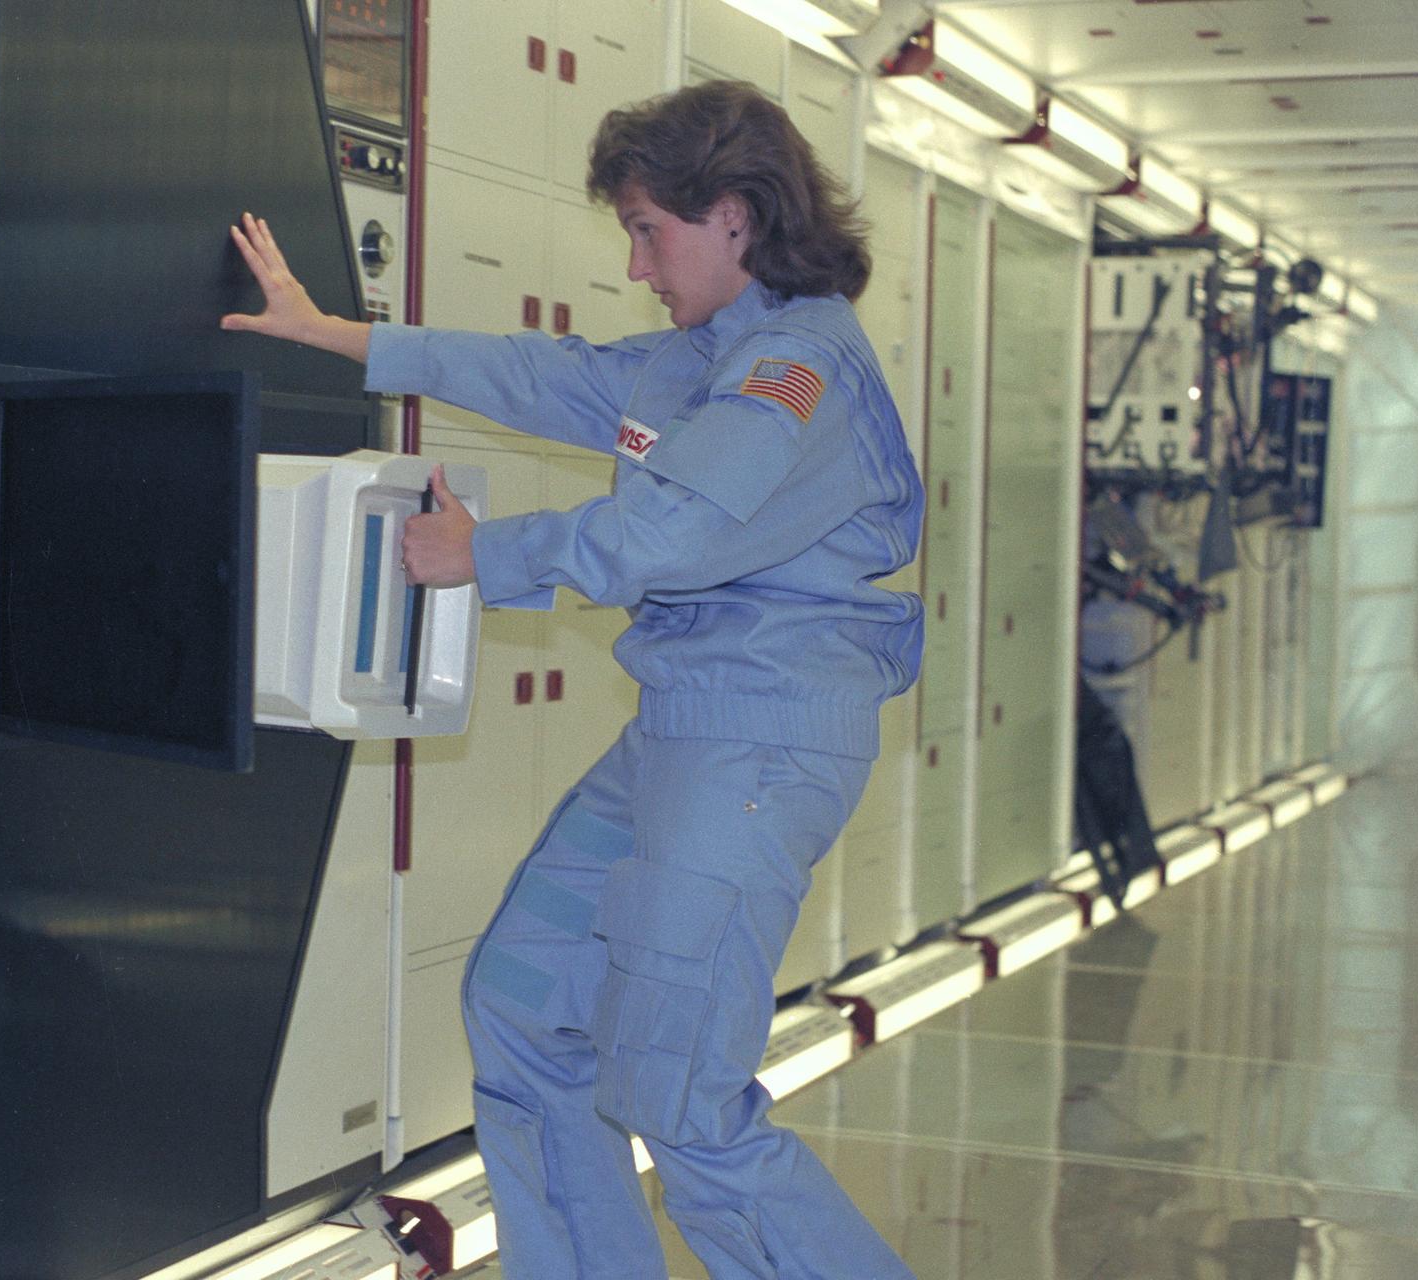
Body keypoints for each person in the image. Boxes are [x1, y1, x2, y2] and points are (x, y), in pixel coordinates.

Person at [223, 80, 921, 1280]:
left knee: (680, 1094)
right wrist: (335, 332)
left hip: (756, 744)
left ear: (736, 214)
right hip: (683, 733)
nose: (637, 264)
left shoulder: (793, 373)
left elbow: (673, 531)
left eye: (649, 230)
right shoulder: (703, 357)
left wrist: (484, 556)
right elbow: (543, 376)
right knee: (521, 1004)